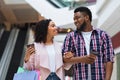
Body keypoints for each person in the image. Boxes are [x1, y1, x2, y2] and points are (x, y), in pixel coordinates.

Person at [62, 6, 114, 80]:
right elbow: (64, 59)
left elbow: (109, 60)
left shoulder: (103, 35)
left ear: (86, 17)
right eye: (74, 19)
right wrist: (82, 59)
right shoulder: (71, 37)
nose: (75, 21)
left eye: (77, 18)